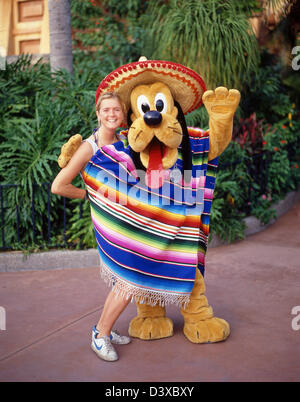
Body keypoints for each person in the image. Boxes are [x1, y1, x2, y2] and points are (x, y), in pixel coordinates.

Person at [51, 92, 132, 362]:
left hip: (129, 221)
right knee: (129, 281)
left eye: (116, 110)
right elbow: (58, 185)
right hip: (109, 224)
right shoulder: (89, 147)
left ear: (123, 114)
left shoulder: (124, 141)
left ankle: (103, 329)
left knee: (124, 280)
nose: (111, 115)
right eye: (106, 110)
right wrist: (88, 194)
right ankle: (100, 336)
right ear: (98, 114)